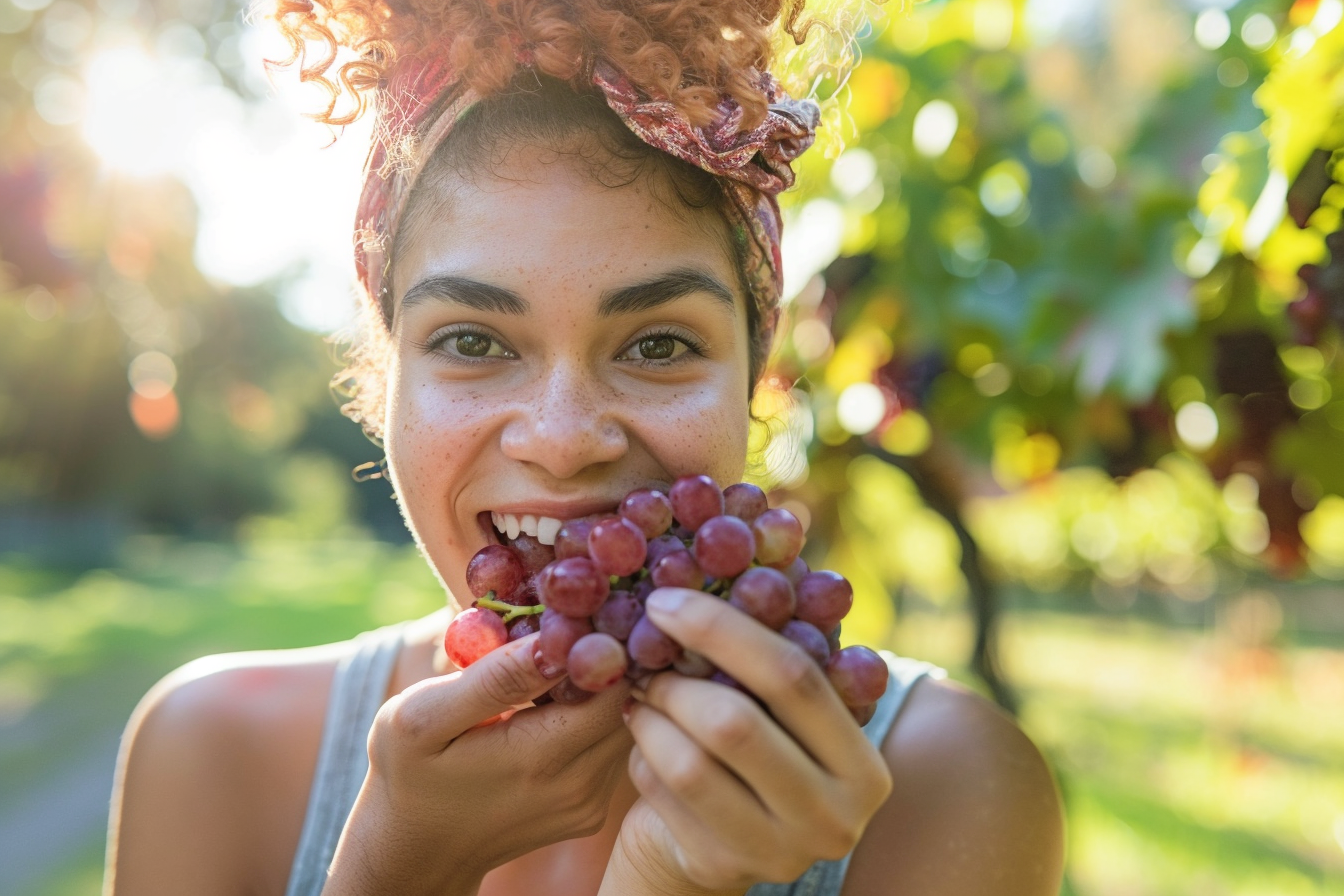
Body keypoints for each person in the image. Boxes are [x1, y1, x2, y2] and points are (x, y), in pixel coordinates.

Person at [105, 2, 1065, 894]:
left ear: (755, 378)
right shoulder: (209, 751)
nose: (563, 441)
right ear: (384, 376)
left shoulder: (949, 787)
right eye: (472, 341)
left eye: (659, 347)